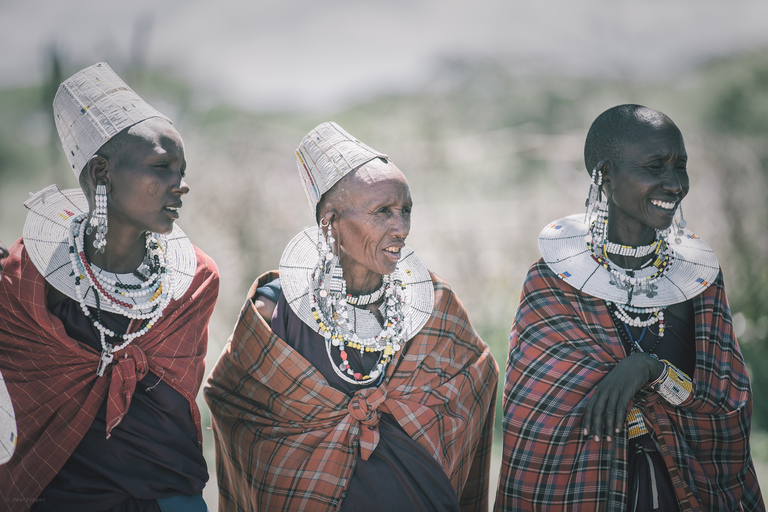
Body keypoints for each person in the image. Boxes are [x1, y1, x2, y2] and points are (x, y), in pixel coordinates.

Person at [204, 122, 498, 512]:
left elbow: (476, 378)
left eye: (405, 210)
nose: (402, 228)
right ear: (330, 222)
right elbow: (236, 404)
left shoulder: (434, 303)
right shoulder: (275, 313)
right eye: (383, 212)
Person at [494, 104, 764, 511]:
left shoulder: (698, 280)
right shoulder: (551, 283)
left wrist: (648, 370)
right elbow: (536, 418)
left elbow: (726, 405)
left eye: (681, 167)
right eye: (655, 167)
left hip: (688, 490)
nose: (675, 184)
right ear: (604, 175)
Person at [0, 63, 219, 511]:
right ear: (102, 174)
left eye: (181, 169)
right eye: (162, 168)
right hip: (54, 495)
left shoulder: (193, 280)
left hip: (167, 496)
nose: (181, 185)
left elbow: (175, 409)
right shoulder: (25, 281)